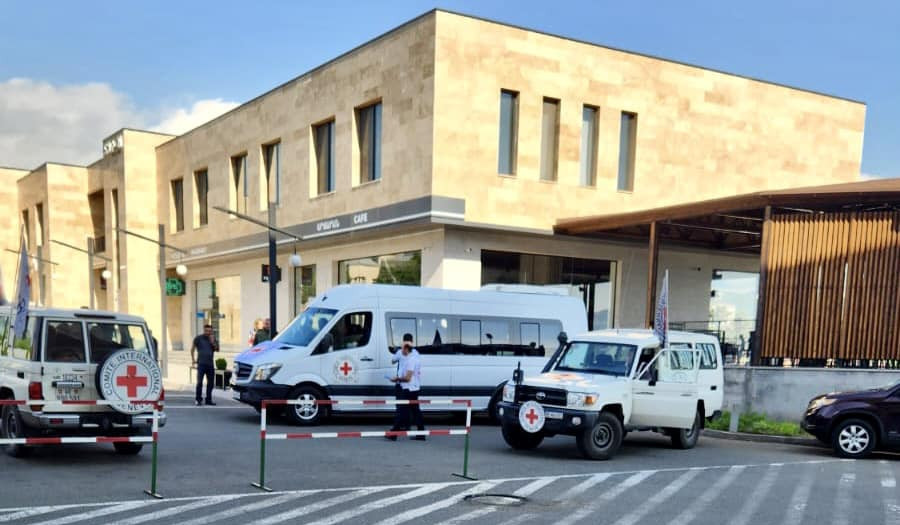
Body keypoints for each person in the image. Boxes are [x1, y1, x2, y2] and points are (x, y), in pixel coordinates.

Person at [386, 333, 425, 441]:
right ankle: (421, 433)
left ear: (406, 348)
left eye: (403, 348)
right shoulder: (413, 355)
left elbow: (408, 378)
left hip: (409, 388)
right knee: (415, 411)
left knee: (401, 410)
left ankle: (394, 433)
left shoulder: (411, 359)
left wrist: (397, 379)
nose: (401, 350)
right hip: (412, 388)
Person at [191, 324, 219, 406]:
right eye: (206, 331)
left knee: (210, 383)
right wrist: (193, 360)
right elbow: (192, 349)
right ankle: (198, 399)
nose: (208, 332)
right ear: (204, 330)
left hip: (210, 364)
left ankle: (208, 399)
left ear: (211, 331)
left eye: (209, 331)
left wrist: (212, 342)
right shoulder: (198, 338)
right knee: (199, 382)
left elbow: (217, 349)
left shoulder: (213, 339)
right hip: (201, 364)